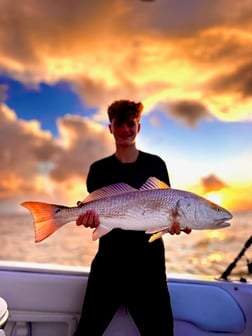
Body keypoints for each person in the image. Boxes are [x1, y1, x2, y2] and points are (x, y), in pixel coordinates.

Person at [73, 100, 191, 336]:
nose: (126, 129)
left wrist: (176, 225)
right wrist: (88, 219)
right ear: (110, 128)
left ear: (139, 127)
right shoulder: (99, 169)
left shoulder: (156, 164)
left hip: (149, 267)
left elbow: (166, 209)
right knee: (86, 333)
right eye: (120, 124)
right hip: (109, 264)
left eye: (131, 123)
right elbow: (98, 210)